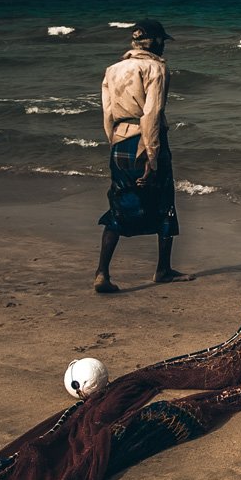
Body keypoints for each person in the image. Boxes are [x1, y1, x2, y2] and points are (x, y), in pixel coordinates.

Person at [94, 20, 193, 293]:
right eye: (162, 41)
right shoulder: (156, 68)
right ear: (156, 42)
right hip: (144, 140)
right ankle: (162, 270)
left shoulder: (113, 70)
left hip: (119, 142)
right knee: (165, 203)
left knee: (118, 204)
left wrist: (114, 143)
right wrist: (152, 155)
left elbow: (107, 114)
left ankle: (102, 272)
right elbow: (151, 114)